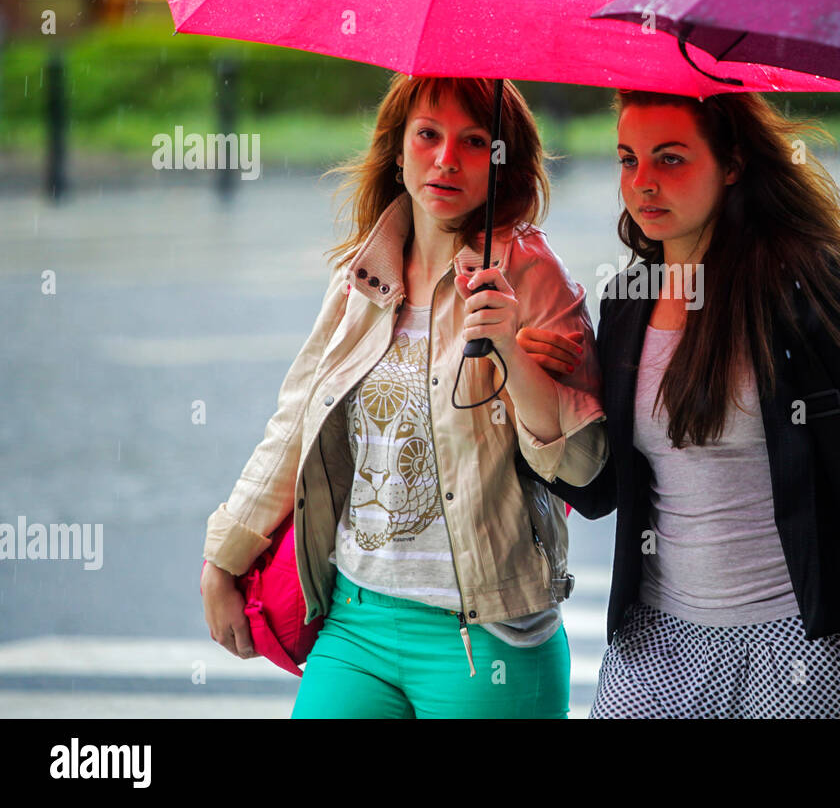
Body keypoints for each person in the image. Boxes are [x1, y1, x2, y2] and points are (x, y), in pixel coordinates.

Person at [517, 88, 840, 718]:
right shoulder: (629, 298)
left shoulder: (809, 282)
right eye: (629, 160)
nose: (644, 183)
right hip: (658, 643)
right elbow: (606, 492)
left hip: (806, 641)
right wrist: (540, 388)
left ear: (733, 164)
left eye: (671, 159)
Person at [199, 72, 608, 718]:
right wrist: (224, 557)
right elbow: (296, 422)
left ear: (505, 161)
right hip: (358, 622)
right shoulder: (362, 275)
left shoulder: (532, 277)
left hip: (487, 640)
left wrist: (506, 345)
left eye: (475, 141)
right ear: (397, 148)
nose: (446, 159)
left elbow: (584, 467)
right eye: (428, 135)